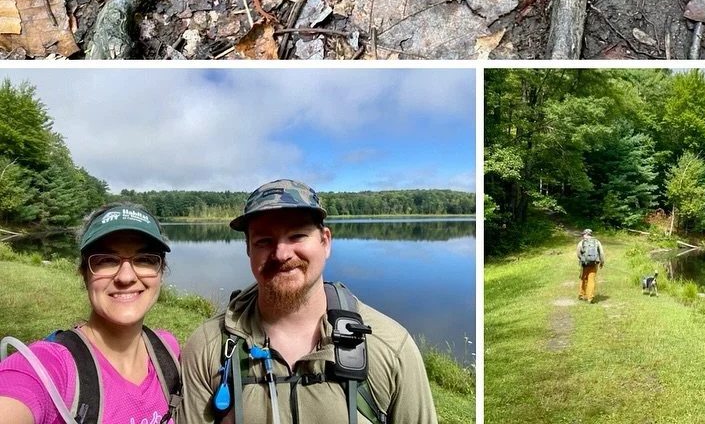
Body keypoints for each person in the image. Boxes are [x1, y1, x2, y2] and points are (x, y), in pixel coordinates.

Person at [178, 181, 436, 424]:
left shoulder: (389, 346)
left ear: (325, 241)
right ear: (248, 249)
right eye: (263, 241)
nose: (281, 253)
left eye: (297, 235)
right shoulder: (209, 347)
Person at [0, 202, 182, 424]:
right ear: (84, 274)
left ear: (161, 273)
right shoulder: (50, 367)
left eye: (144, 259)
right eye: (106, 260)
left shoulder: (167, 352)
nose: (126, 277)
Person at [576, 229, 604, 304]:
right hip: (594, 264)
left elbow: (578, 253)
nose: (582, 236)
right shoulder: (597, 242)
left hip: (585, 264)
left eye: (583, 234)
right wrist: (602, 262)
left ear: (586, 234)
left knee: (584, 278)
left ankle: (582, 294)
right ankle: (590, 297)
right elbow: (601, 253)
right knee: (591, 279)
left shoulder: (582, 242)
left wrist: (582, 259)